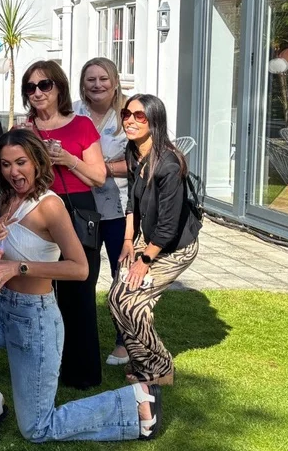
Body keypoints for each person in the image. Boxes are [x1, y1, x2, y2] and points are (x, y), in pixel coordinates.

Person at [0, 130, 163, 445]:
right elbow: (10, 253)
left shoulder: (50, 206)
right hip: (4, 308)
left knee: (37, 428)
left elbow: (79, 268)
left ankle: (135, 401)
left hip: (35, 319)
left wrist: (19, 268)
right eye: (6, 164)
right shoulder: (8, 199)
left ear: (36, 162)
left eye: (20, 162)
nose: (13, 171)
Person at [22, 60, 107, 390]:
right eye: (31, 87)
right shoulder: (25, 129)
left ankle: (82, 372)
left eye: (45, 85)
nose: (38, 92)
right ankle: (46, 364)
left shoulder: (81, 125)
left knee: (79, 291)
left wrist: (68, 160)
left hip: (77, 210)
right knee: (41, 292)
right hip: (38, 212)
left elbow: (98, 176)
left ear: (59, 88)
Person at [109, 94, 201, 386]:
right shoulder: (134, 151)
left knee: (132, 303)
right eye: (126, 114)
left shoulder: (169, 165)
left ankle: (161, 368)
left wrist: (144, 261)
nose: (130, 121)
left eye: (139, 116)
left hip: (174, 247)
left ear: (154, 121)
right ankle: (143, 363)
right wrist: (128, 239)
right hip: (147, 238)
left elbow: (169, 226)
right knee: (116, 299)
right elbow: (132, 200)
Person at [74, 57, 131, 365]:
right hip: (81, 209)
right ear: (82, 84)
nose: (97, 85)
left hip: (119, 210)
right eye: (90, 79)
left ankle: (125, 340)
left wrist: (101, 168)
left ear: (115, 82)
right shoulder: (72, 113)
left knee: (122, 276)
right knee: (82, 275)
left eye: (103, 79)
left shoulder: (129, 114)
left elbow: (144, 160)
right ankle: (79, 340)